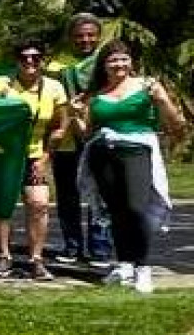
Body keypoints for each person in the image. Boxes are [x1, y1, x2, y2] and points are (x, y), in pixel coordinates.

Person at [70, 40, 187, 295]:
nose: (119, 64)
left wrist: (163, 102)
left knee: (136, 209)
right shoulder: (96, 94)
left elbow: (177, 125)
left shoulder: (148, 86)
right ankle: (124, 265)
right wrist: (76, 115)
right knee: (117, 211)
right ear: (104, 64)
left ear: (131, 62)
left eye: (124, 59)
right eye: (113, 60)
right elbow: (87, 133)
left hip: (137, 150)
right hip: (102, 153)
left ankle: (142, 269)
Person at [0, 39, 67, 281]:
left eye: (35, 57)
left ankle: (36, 259)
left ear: (42, 60)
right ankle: (3, 256)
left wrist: (46, 157)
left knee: (39, 204)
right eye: (24, 57)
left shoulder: (54, 87)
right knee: (3, 207)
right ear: (16, 61)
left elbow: (60, 126)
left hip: (35, 155)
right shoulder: (2, 85)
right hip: (4, 155)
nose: (30, 61)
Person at [48, 12, 107, 263]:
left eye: (90, 35)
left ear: (98, 36)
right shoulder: (56, 65)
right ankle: (72, 246)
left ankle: (100, 248)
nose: (85, 40)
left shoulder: (107, 62)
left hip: (98, 136)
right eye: (80, 35)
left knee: (99, 192)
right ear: (71, 37)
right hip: (66, 139)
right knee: (67, 193)